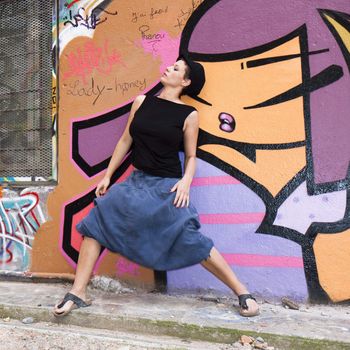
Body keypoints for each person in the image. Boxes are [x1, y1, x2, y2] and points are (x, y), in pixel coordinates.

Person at [53, 54, 260, 318]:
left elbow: (192, 155)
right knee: (96, 221)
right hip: (137, 182)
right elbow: (125, 141)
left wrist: (186, 182)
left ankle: (241, 290)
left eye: (175, 68)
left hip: (168, 186)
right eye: (171, 65)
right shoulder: (142, 102)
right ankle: (78, 291)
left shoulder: (189, 114)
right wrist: (107, 176)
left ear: (185, 81)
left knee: (190, 237)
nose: (168, 68)